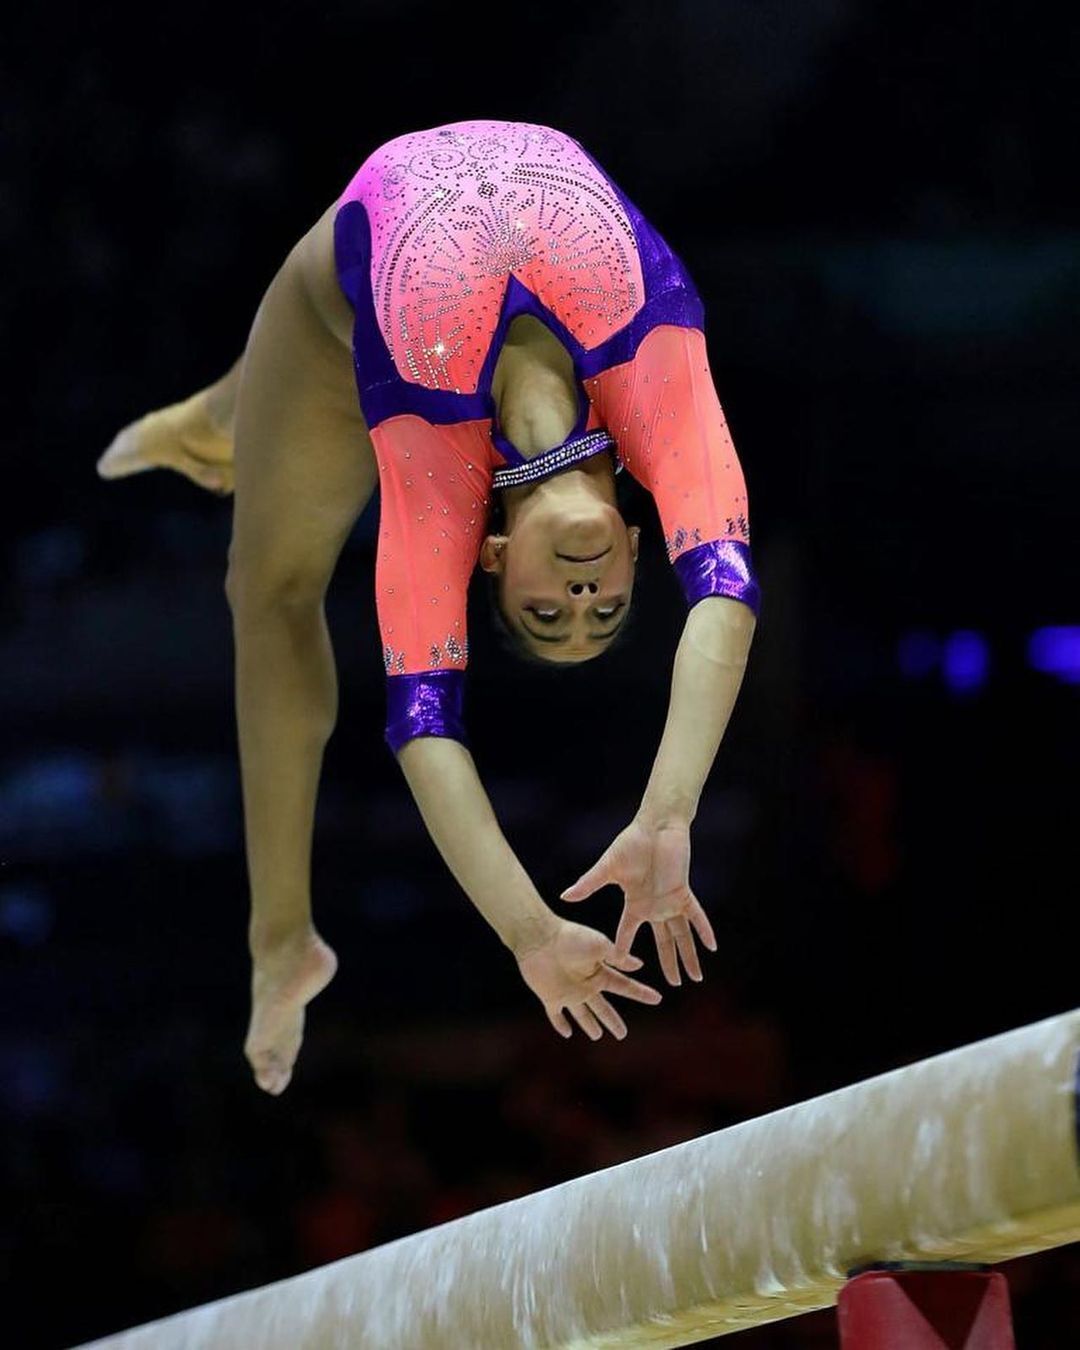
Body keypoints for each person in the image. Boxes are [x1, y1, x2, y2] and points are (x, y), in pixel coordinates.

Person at [99, 119, 760, 1095]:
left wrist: (527, 930)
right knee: (272, 423)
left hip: (362, 287)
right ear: (633, 545)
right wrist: (668, 815)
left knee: (270, 591)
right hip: (450, 249)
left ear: (491, 562)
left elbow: (422, 722)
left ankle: (279, 943)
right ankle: (221, 417)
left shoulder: (440, 456)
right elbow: (728, 597)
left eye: (550, 617)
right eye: (605, 611)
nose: (581, 600)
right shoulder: (655, 370)